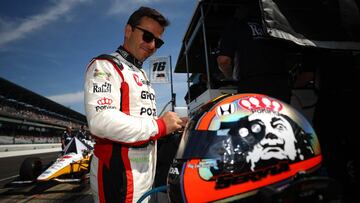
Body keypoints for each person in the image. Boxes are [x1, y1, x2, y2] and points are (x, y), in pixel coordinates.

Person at [84, 6, 184, 203]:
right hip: (118, 174)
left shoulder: (141, 73)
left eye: (158, 42)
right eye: (147, 36)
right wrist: (160, 125)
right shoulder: (105, 66)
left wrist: (174, 124)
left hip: (144, 171)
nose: (152, 45)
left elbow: (141, 121)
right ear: (128, 31)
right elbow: (100, 120)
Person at [216, 2, 296, 103]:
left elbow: (223, 61)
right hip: (281, 85)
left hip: (252, 85)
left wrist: (230, 78)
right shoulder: (278, 26)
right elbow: (291, 55)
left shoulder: (235, 25)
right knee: (281, 118)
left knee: (255, 118)